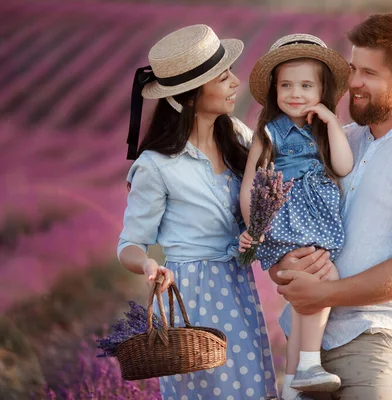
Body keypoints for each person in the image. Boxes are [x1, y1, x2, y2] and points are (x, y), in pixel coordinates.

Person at [271, 13, 392, 400]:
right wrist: (284, 267)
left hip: (372, 341)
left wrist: (325, 293)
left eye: (369, 74)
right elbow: (289, 215)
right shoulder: (338, 138)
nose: (354, 84)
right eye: (353, 69)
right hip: (304, 336)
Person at [117, 24, 277, 400]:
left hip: (236, 285)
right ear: (190, 97)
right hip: (192, 296)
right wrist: (150, 266)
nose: (236, 82)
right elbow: (133, 243)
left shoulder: (236, 134)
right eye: (223, 78)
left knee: (250, 389)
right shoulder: (155, 165)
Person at [238, 34, 352, 400]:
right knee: (323, 280)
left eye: (306, 85)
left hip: (315, 224)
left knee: (309, 289)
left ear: (322, 90)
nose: (295, 93)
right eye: (286, 85)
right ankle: (308, 364)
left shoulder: (323, 131)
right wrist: (254, 229)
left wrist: (332, 122)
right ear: (274, 90)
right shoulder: (270, 132)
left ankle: (291, 384)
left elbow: (343, 166)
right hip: (285, 223)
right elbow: (249, 184)